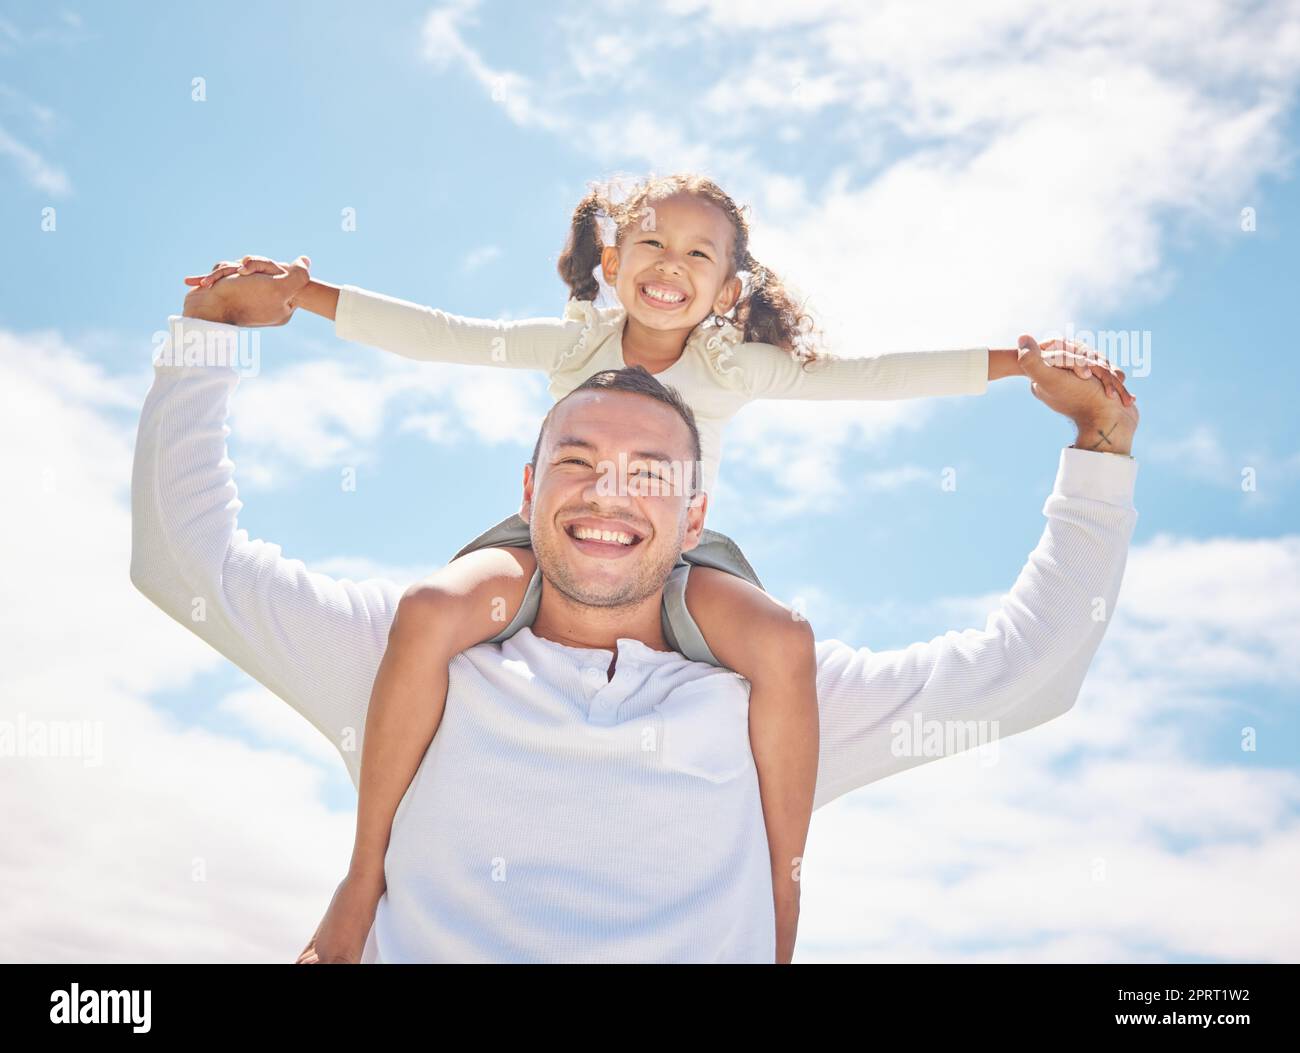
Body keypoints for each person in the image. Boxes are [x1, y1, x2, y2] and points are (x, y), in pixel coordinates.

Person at [181, 174, 1134, 964]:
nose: (670, 267)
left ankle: (781, 925)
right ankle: (359, 877)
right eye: (650, 245)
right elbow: (441, 332)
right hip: (538, 542)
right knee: (431, 607)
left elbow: (870, 375)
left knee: (785, 642)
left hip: (681, 561)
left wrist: (1014, 368)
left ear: (729, 287)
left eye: (699, 254)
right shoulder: (571, 345)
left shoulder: (738, 367)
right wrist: (298, 299)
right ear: (611, 263)